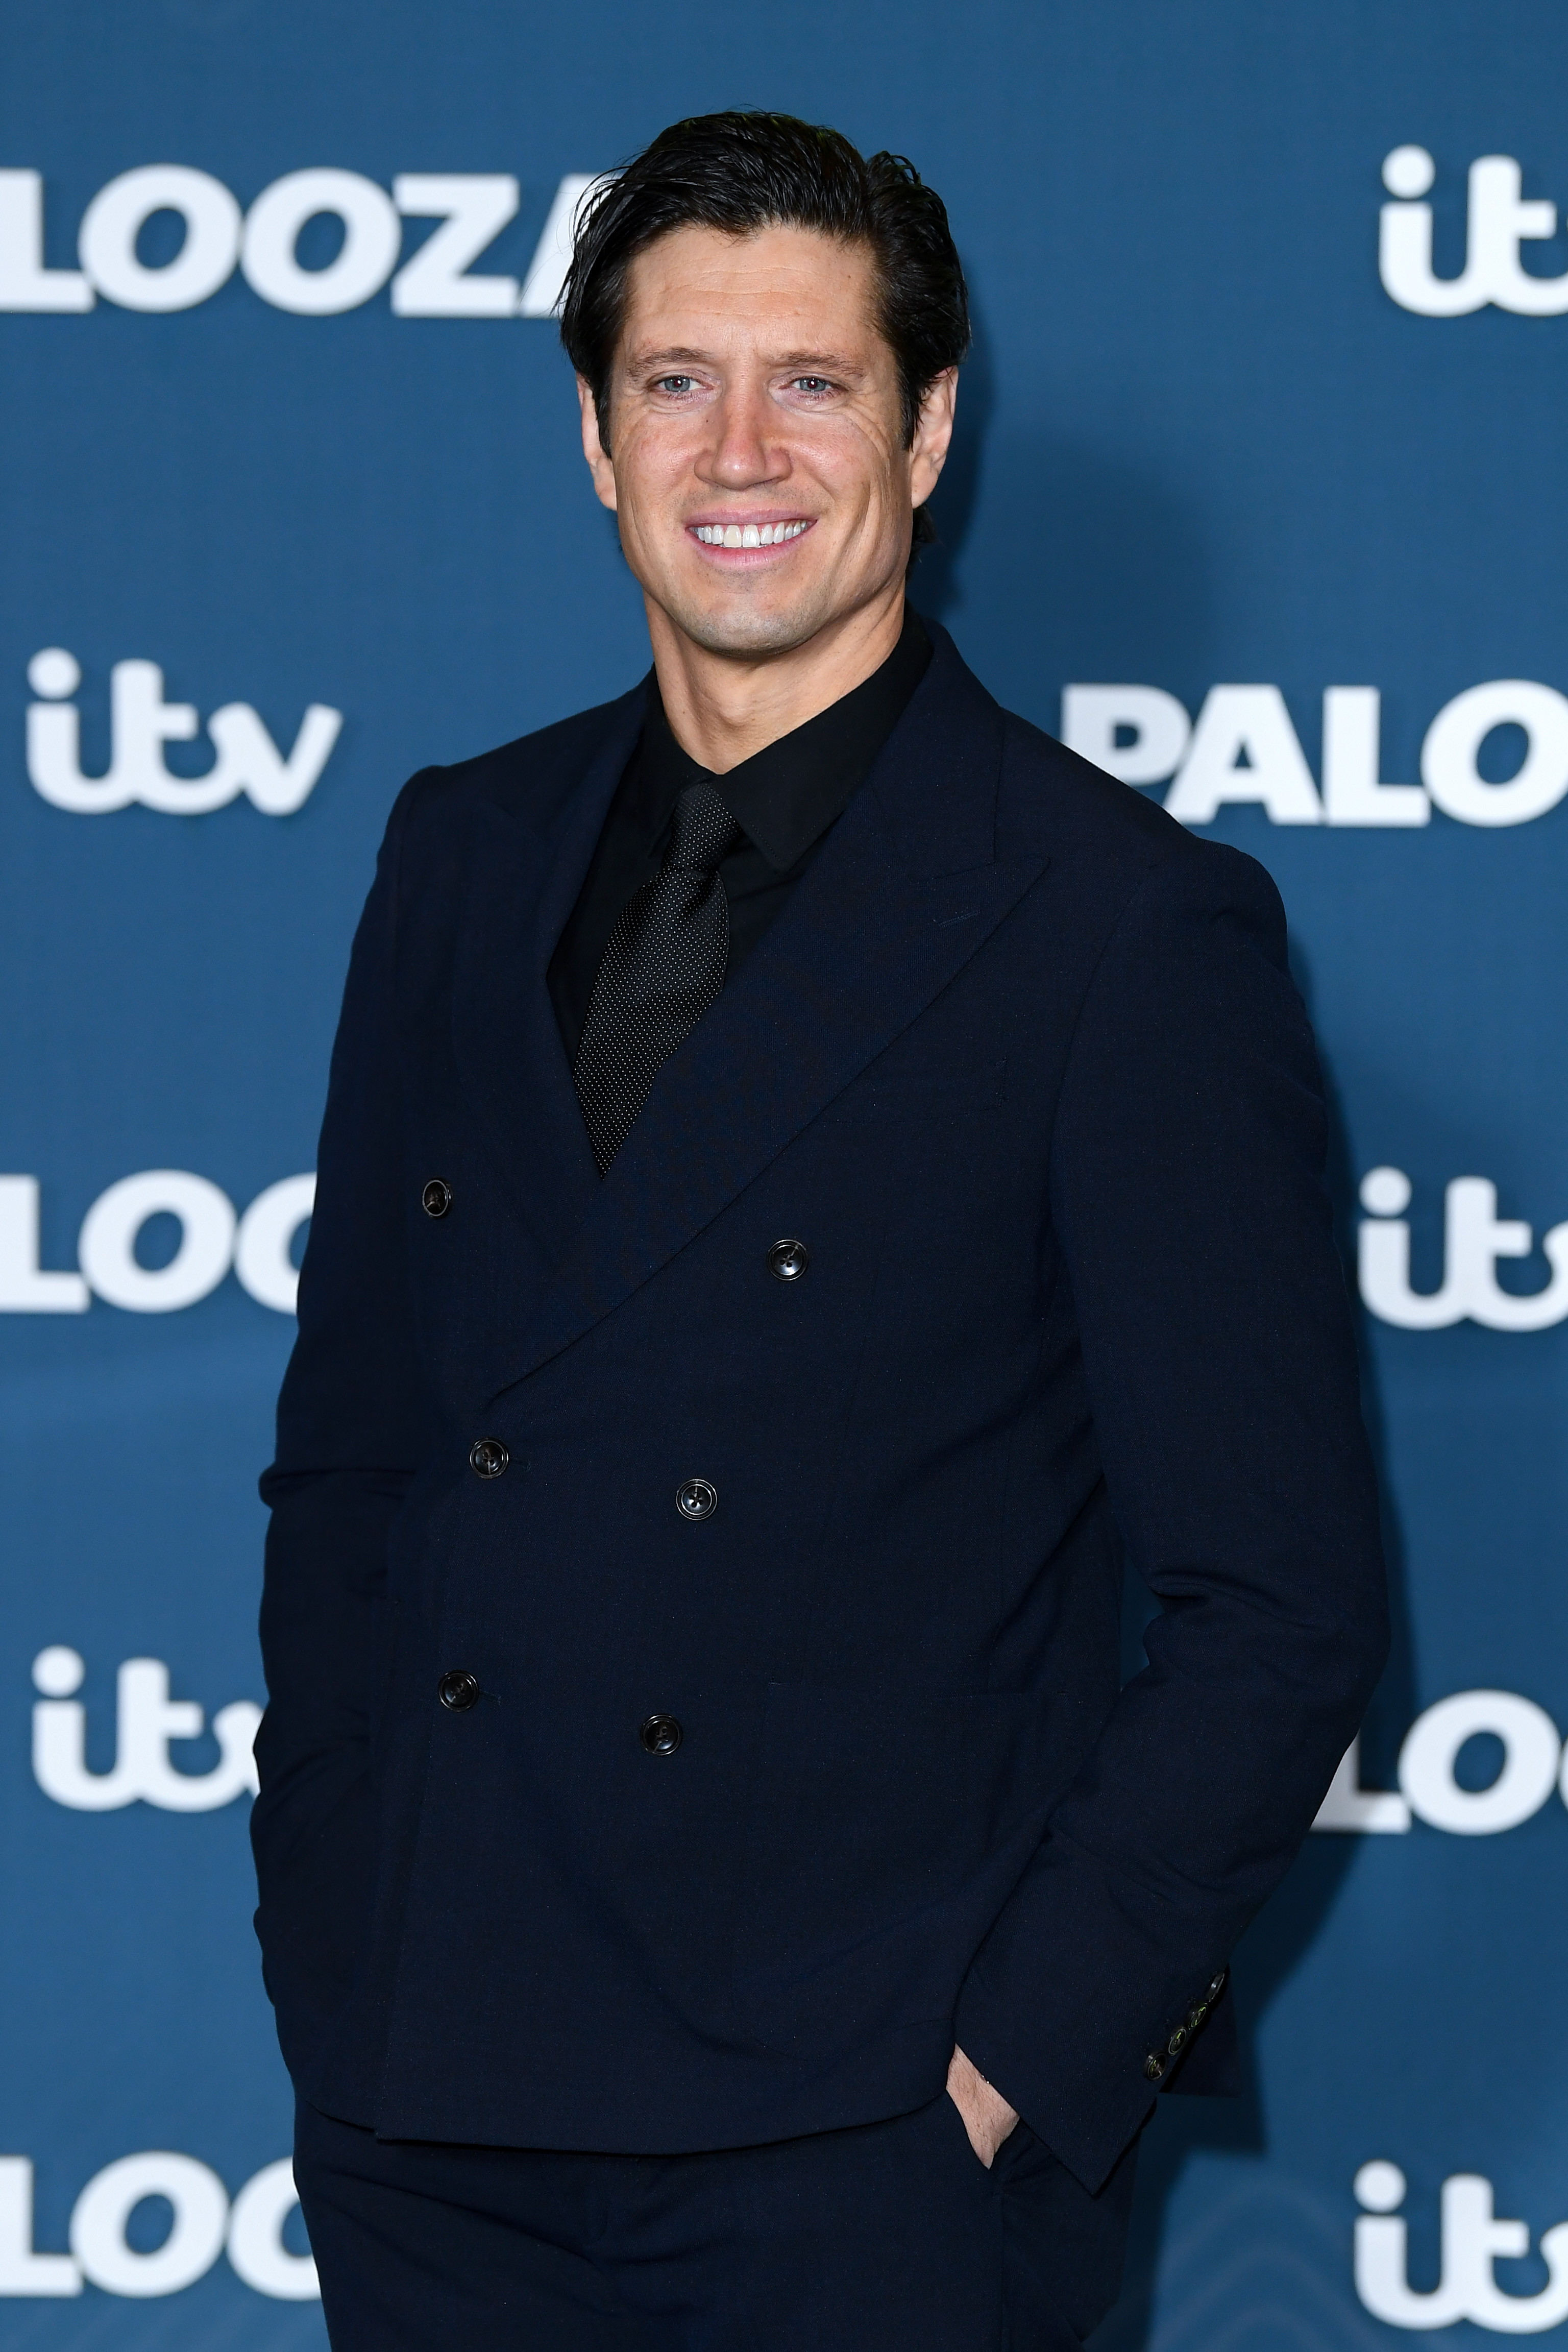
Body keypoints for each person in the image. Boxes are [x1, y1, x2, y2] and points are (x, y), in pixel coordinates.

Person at [253, 109, 1387, 2352]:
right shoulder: (461, 854)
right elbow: (355, 1459)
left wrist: (1002, 2079)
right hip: (437, 2114)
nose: (740, 447)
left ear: (930, 430)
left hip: (850, 2152)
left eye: (817, 381)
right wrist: (331, 1952)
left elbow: (1282, 1602)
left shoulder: (1120, 928)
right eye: (677, 379)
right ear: (595, 437)